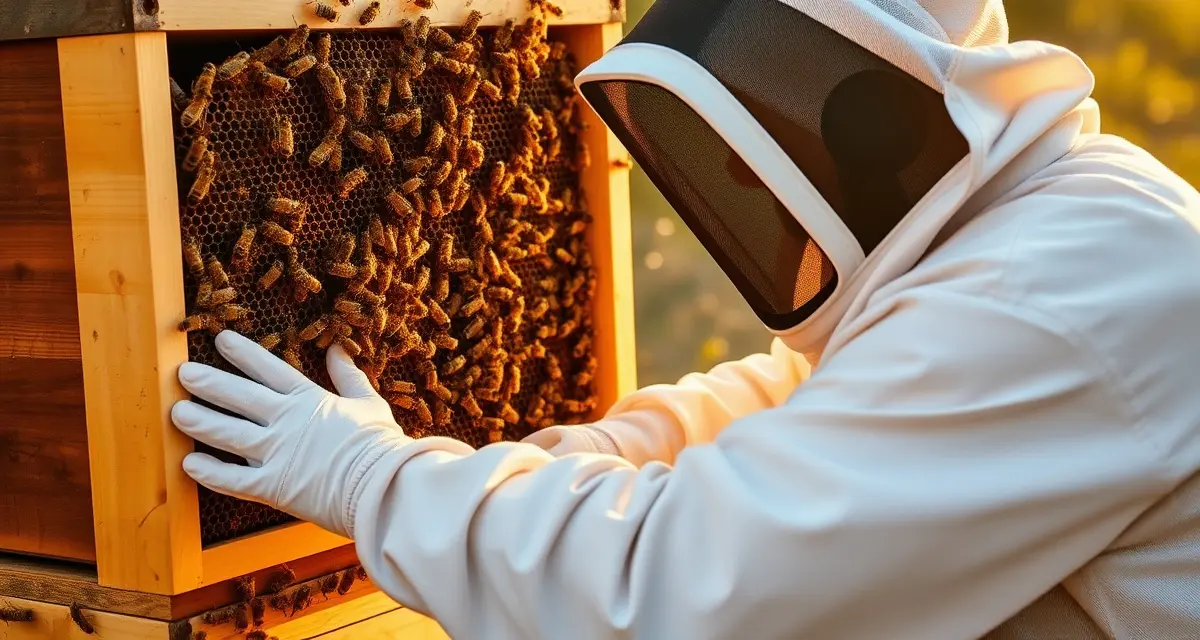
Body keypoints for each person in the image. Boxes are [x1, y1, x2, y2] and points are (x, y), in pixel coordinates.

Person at [171, 0, 1200, 637]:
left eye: (765, 142)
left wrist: (377, 481)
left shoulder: (1058, 301)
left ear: (877, 120)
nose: (749, 184)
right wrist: (583, 450)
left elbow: (682, 593)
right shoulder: (1042, 234)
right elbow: (813, 407)